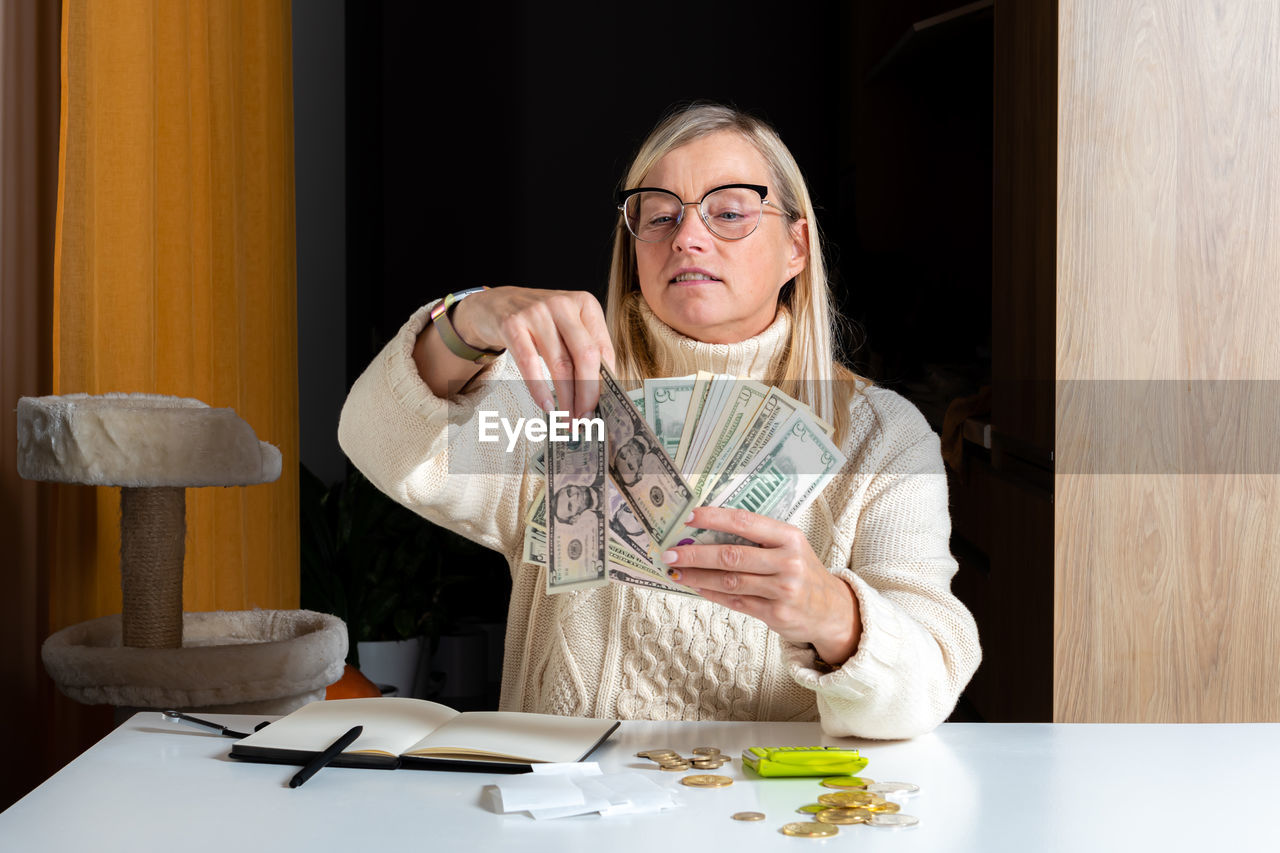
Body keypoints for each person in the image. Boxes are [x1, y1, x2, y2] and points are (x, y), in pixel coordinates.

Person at [339, 103, 980, 738]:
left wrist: (831, 613)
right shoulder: (560, 397)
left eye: (729, 212)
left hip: (762, 820)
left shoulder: (881, 436)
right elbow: (373, 437)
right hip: (565, 817)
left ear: (796, 247)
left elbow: (933, 682)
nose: (688, 237)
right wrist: (473, 316)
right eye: (661, 216)